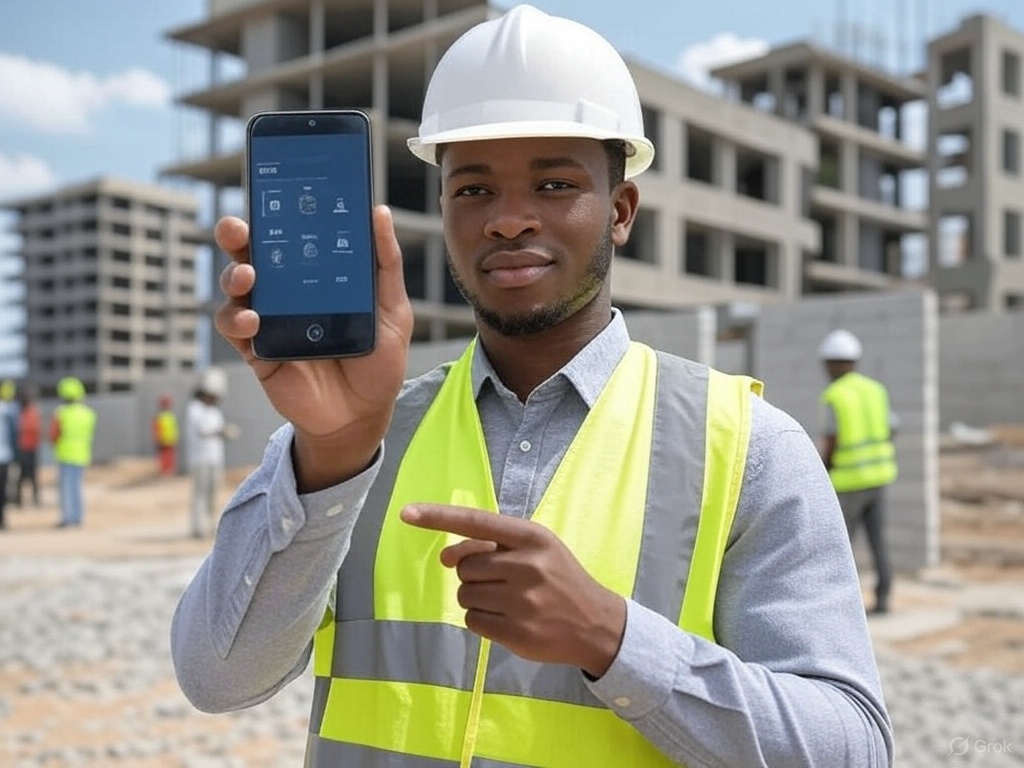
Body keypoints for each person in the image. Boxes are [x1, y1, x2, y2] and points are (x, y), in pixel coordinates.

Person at [171, 6, 893, 766]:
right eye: (473, 190)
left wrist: (613, 640)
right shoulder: (359, 437)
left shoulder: (745, 448)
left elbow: (851, 750)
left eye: (553, 183)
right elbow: (217, 680)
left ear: (619, 211)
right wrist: (330, 456)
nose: (508, 221)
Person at [818, 329, 898, 615]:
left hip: (849, 482)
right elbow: (892, 427)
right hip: (878, 478)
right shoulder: (876, 390)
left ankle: (842, 610)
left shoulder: (836, 395)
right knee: (878, 542)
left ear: (835, 363)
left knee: (841, 549)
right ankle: (884, 599)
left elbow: (832, 439)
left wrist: (823, 469)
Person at [185, 370, 237, 538]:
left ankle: (210, 525)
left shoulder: (215, 412)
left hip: (215, 458)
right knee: (200, 494)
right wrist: (221, 432)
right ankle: (198, 528)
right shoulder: (195, 408)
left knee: (212, 493)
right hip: (200, 459)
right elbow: (202, 431)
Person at [49, 376, 97, 528]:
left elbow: (54, 435)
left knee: (66, 489)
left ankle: (68, 519)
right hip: (82, 454)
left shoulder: (61, 413)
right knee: (77, 487)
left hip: (65, 454)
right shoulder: (88, 413)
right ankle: (77, 517)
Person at [15, 384, 42, 508]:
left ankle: (36, 498)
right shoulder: (17, 413)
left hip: (31, 448)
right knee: (21, 476)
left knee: (33, 476)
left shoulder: (33, 412)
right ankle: (18, 499)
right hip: (22, 448)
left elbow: (37, 430)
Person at [0, 380, 15, 528]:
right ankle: (2, 519)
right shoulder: (7, 410)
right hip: (4, 456)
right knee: (3, 489)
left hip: (4, 455)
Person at [153, 394, 180, 477]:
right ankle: (164, 471)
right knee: (164, 456)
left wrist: (176, 438)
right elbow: (156, 428)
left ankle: (170, 471)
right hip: (163, 440)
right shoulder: (160, 416)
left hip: (171, 439)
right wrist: (157, 439)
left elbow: (175, 428)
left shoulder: (171, 416)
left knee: (171, 456)